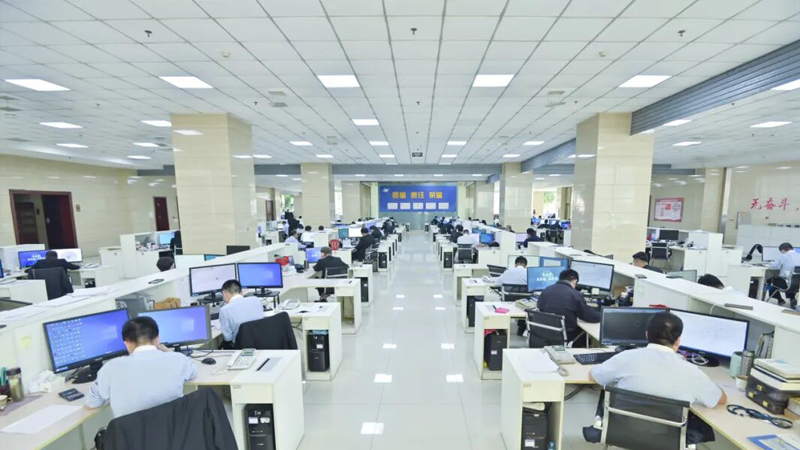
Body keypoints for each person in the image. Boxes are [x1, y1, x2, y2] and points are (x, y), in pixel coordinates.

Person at [584, 312, 725, 445]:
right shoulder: (692, 372)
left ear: (646, 334)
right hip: (668, 439)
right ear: (678, 341)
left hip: (622, 431)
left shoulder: (626, 357)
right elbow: (720, 399)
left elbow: (593, 376)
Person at [85, 316, 197, 418]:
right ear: (158, 339)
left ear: (127, 343)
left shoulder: (110, 368)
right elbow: (193, 373)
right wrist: (168, 352)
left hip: (131, 433)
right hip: (175, 431)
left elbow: (92, 403)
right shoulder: (178, 359)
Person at [536, 269, 601, 345]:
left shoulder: (546, 291)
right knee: (587, 338)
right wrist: (603, 315)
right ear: (574, 281)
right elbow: (588, 316)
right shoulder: (575, 294)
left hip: (545, 335)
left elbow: (540, 308)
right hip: (566, 337)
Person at [218, 279, 263, 344]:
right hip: (261, 341)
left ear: (225, 293)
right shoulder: (256, 300)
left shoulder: (224, 310)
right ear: (241, 292)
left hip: (241, 346)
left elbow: (227, 338)